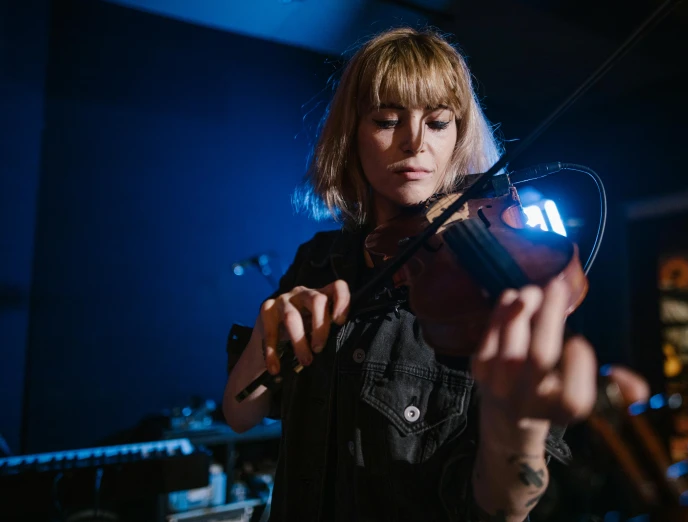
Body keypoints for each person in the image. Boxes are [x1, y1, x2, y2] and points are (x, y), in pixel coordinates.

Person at [223, 27, 648, 521]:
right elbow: (240, 412)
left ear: (459, 136)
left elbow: (504, 509)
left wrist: (517, 429)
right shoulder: (317, 260)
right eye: (386, 120)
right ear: (352, 134)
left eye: (439, 122)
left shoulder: (487, 292)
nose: (414, 142)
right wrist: (265, 335)